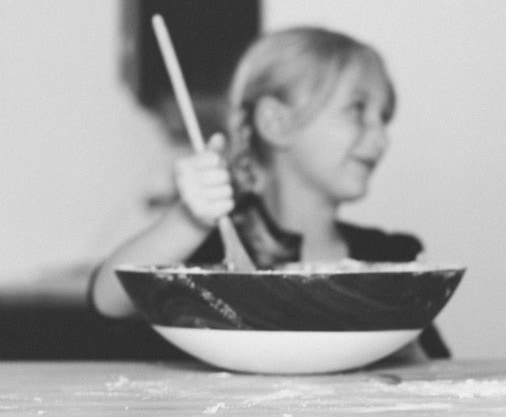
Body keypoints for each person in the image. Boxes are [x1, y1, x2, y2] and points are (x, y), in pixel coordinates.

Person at [89, 26, 450, 360]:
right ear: (275, 122)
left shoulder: (390, 257)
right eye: (357, 111)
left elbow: (435, 371)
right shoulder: (210, 255)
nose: (381, 138)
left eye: (383, 117)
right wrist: (189, 220)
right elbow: (108, 300)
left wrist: (400, 330)